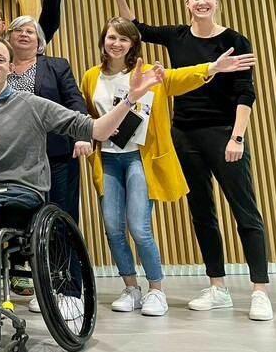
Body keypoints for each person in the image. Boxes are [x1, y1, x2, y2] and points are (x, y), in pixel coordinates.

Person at [0, 34, 164, 335]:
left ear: (11, 67)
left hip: (22, 194)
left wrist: (131, 98)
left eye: (0, 60)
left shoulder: (32, 104)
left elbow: (97, 128)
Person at [111, 0, 273, 321]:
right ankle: (218, 287)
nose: (201, 2)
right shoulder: (177, 36)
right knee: (202, 212)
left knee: (245, 211)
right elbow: (136, 28)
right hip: (184, 134)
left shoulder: (234, 40)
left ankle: (260, 290)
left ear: (216, 2)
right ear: (187, 4)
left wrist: (237, 137)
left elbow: (246, 93)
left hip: (223, 132)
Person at [80, 17, 255, 317]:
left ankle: (156, 291)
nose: (116, 43)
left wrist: (212, 68)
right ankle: (131, 287)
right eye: (111, 37)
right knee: (112, 227)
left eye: (124, 39)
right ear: (103, 41)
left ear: (133, 44)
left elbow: (179, 77)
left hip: (139, 158)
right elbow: (86, 113)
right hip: (107, 159)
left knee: (139, 226)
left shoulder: (149, 73)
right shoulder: (90, 77)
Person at [4, 15, 89, 300]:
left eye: (31, 31)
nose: (24, 35)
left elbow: (75, 101)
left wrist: (82, 134)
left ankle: (68, 291)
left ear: (40, 40)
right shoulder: (1, 68)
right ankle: (33, 286)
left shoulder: (56, 66)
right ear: (9, 38)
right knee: (22, 224)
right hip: (14, 160)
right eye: (18, 31)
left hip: (57, 154)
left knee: (61, 220)